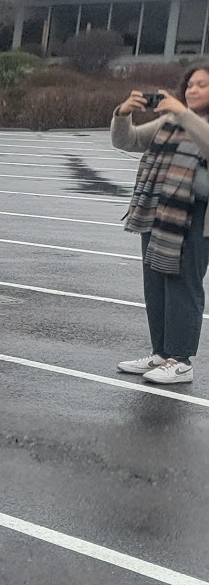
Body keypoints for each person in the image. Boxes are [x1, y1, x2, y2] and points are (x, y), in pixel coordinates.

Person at [114, 64, 209, 384]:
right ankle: (161, 353)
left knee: (183, 285)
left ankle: (181, 360)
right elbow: (127, 140)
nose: (193, 89)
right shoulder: (171, 121)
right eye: (190, 84)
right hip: (160, 210)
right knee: (155, 284)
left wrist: (183, 112)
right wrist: (123, 113)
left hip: (196, 216)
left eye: (202, 85)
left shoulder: (185, 119)